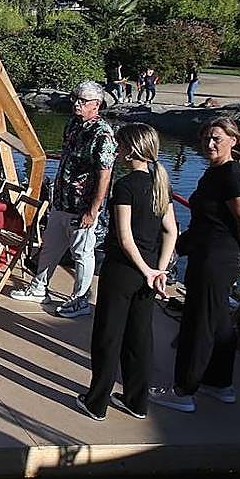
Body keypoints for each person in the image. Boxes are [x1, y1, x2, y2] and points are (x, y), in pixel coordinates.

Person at [149, 118, 240, 413]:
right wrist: (179, 247)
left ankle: (183, 390)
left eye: (217, 138)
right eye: (206, 138)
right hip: (206, 252)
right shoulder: (215, 172)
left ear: (233, 140)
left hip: (216, 259)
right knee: (219, 321)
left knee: (198, 323)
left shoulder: (232, 175)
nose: (210, 144)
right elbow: (207, 220)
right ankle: (219, 383)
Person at [77, 124, 177, 421]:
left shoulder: (125, 186)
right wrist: (159, 269)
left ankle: (96, 402)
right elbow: (171, 230)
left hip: (124, 270)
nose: (117, 151)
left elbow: (124, 237)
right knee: (139, 336)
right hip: (149, 270)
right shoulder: (160, 184)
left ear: (131, 149)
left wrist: (146, 270)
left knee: (109, 335)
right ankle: (136, 401)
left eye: (120, 145)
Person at [9, 80, 116, 318]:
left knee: (82, 253)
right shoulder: (73, 125)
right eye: (75, 98)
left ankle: (80, 299)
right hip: (61, 201)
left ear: (96, 104)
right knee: (50, 247)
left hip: (82, 206)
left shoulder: (103, 134)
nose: (77, 103)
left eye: (83, 100)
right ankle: (39, 288)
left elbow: (105, 173)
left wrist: (93, 210)